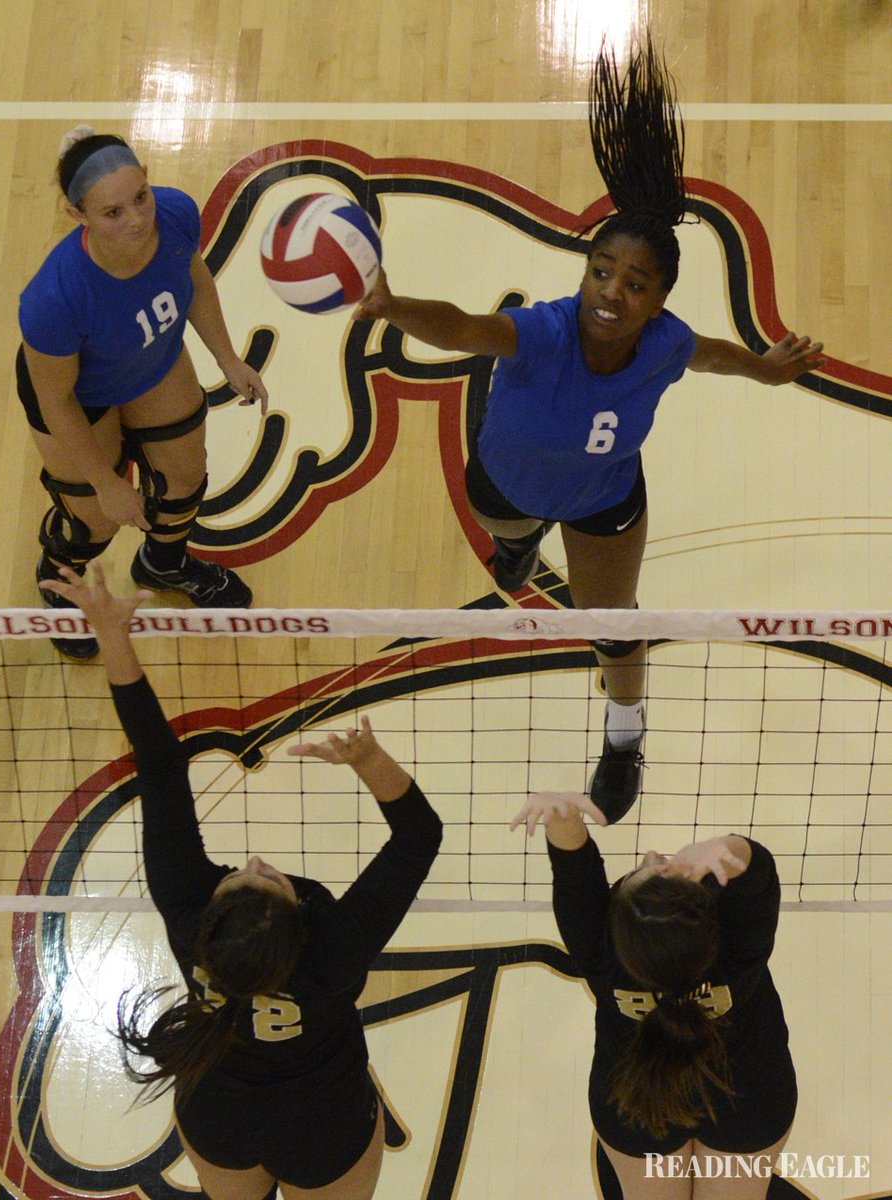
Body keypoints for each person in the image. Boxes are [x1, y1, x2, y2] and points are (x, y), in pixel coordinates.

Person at [354, 39, 827, 824]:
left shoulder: (667, 343)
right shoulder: (544, 331)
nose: (610, 292)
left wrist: (769, 370)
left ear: (659, 296)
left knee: (613, 623)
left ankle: (623, 733)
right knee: (507, 532)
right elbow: (466, 326)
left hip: (605, 499)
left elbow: (713, 357)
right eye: (600, 271)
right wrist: (395, 308)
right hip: (506, 479)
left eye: (634, 283)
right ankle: (513, 549)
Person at [40, 563, 442, 1200]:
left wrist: (113, 639)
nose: (255, 863)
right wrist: (369, 760)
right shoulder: (333, 946)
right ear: (299, 923)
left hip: (219, 1117)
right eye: (270, 881)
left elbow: (159, 768)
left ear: (208, 923)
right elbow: (420, 836)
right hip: (323, 1124)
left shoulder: (189, 908)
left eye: (240, 880)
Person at [19, 125, 268, 659]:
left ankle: (164, 563)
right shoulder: (55, 299)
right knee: (96, 517)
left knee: (184, 477)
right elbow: (55, 401)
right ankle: (60, 573)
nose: (137, 218)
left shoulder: (175, 214)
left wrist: (228, 358)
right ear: (77, 215)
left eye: (140, 196)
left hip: (150, 360)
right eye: (113, 212)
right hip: (78, 397)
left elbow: (193, 276)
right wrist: (107, 482)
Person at [510, 791, 796, 1199]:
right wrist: (722, 847)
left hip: (636, 1099)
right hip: (749, 1094)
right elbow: (757, 873)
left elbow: (576, 878)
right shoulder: (739, 947)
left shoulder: (599, 953)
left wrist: (563, 818)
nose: (651, 854)